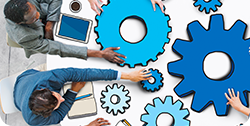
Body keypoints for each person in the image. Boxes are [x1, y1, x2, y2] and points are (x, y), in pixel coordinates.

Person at [4, 0, 125, 64]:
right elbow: (60, 49)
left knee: (88, 27)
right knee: (84, 44)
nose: (38, 14)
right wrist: (100, 54)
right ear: (20, 23)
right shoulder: (25, 37)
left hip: (51, 22)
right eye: (33, 18)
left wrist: (49, 25)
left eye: (36, 10)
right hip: (43, 39)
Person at [14, 67, 151, 125]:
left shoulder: (51, 77)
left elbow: (85, 73)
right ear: (46, 114)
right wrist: (72, 92)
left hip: (26, 76)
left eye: (57, 95)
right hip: (18, 98)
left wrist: (127, 76)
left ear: (46, 89)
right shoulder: (32, 120)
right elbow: (59, 116)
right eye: (57, 104)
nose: (62, 98)